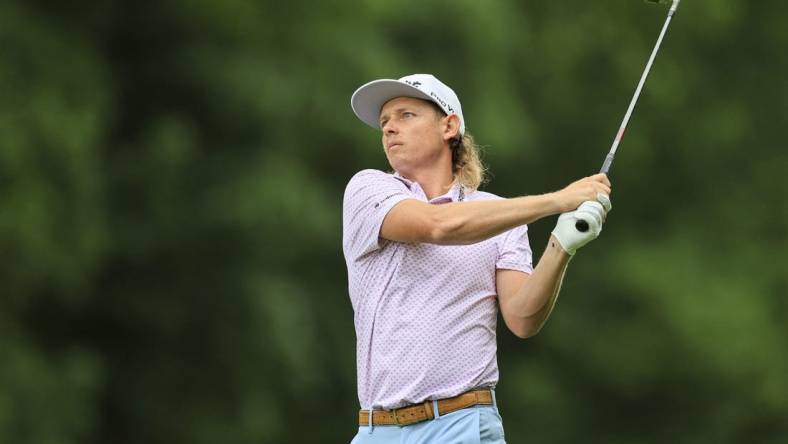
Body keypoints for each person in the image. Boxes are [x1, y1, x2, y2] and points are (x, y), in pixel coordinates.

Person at [343, 74, 612, 444]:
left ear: (448, 126)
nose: (389, 128)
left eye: (405, 115)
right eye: (384, 122)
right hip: (378, 430)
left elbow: (522, 317)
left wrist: (562, 244)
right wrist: (557, 200)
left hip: (463, 424)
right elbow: (438, 226)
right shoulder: (368, 189)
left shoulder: (497, 215)